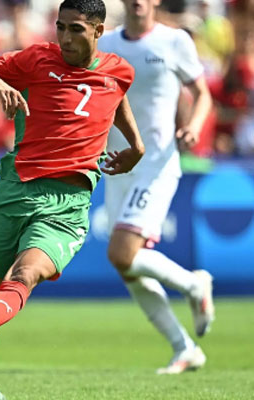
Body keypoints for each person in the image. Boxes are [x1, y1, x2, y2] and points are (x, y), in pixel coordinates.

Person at [0, 1, 145, 399]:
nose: (65, 38)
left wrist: (135, 144)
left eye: (76, 30)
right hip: (14, 190)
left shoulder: (120, 70)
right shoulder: (35, 59)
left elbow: (115, 95)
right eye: (60, 27)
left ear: (99, 32)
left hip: (67, 202)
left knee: (24, 275)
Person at [98, 0, 215, 375]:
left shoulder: (174, 41)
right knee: (128, 267)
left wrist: (194, 125)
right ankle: (184, 347)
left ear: (155, 2)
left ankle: (194, 285)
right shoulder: (107, 43)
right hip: (117, 165)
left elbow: (202, 93)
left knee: (121, 252)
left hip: (156, 165)